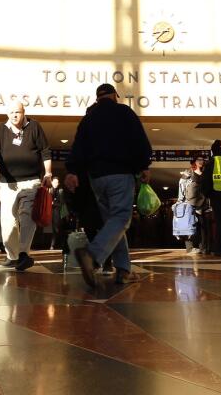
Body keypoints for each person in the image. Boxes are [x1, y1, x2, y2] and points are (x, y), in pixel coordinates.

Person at [64, 83, 152, 289]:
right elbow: (139, 140)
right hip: (120, 174)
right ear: (115, 96)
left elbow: (78, 147)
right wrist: (144, 165)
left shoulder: (89, 118)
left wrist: (72, 170)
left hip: (97, 178)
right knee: (121, 218)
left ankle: (123, 270)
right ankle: (92, 256)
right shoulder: (124, 112)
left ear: (97, 98)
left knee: (113, 223)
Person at [0, 103, 52, 271]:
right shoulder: (2, 129)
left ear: (24, 113)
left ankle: (23, 254)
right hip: (8, 183)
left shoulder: (34, 127)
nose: (14, 115)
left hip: (31, 181)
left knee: (27, 215)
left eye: (17, 112)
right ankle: (12, 256)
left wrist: (48, 173)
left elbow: (45, 151)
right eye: (11, 112)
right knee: (8, 221)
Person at [180, 157, 206, 255]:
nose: (201, 161)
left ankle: (202, 247)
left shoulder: (205, 173)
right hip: (190, 202)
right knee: (190, 224)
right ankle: (190, 247)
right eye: (198, 160)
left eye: (202, 160)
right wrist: (181, 199)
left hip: (202, 202)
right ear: (194, 162)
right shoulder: (188, 172)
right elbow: (181, 184)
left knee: (202, 225)